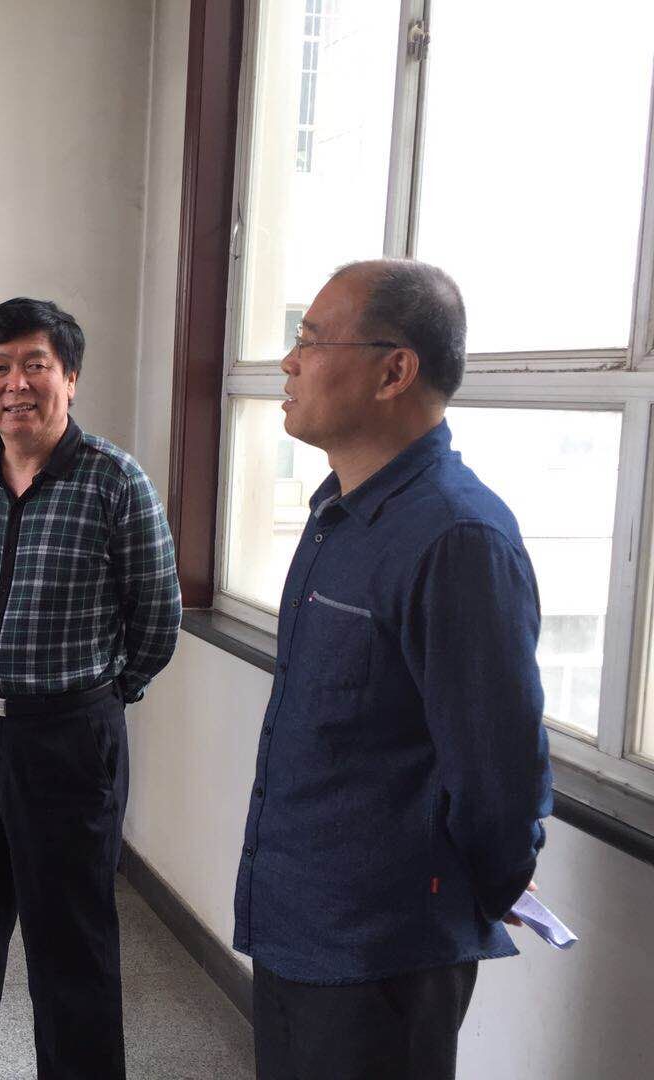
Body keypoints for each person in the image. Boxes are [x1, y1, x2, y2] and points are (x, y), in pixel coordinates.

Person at [234, 259, 553, 1080]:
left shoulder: (456, 537)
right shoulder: (338, 511)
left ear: (394, 371)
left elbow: (500, 779)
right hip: (297, 919)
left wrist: (461, 897)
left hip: (384, 950)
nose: (289, 362)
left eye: (311, 340)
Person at [0, 298, 182, 1080]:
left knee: (71, 943)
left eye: (36, 365)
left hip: (67, 737)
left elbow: (157, 617)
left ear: (70, 377)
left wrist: (96, 699)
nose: (16, 384)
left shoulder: (114, 481)